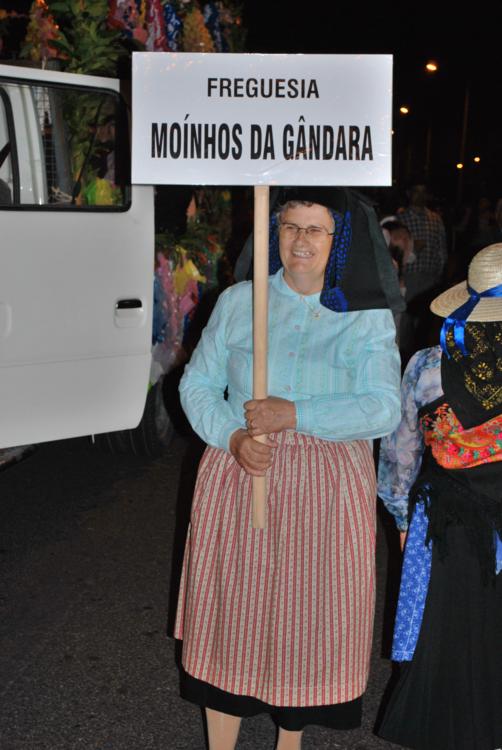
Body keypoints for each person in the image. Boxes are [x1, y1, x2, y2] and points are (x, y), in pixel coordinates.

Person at [173, 187, 402, 750]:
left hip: (325, 486)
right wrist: (231, 435)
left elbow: (383, 407)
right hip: (240, 471)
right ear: (273, 233)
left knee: (304, 619)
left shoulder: (366, 316)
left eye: (315, 229)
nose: (300, 241)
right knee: (232, 615)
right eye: (290, 227)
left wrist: (296, 413)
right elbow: (196, 384)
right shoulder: (239, 302)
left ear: (338, 240)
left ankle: (289, 744)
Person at [377, 243, 502, 750]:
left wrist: (402, 519)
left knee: (450, 640)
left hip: (447, 529)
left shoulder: (428, 365)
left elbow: (399, 456)